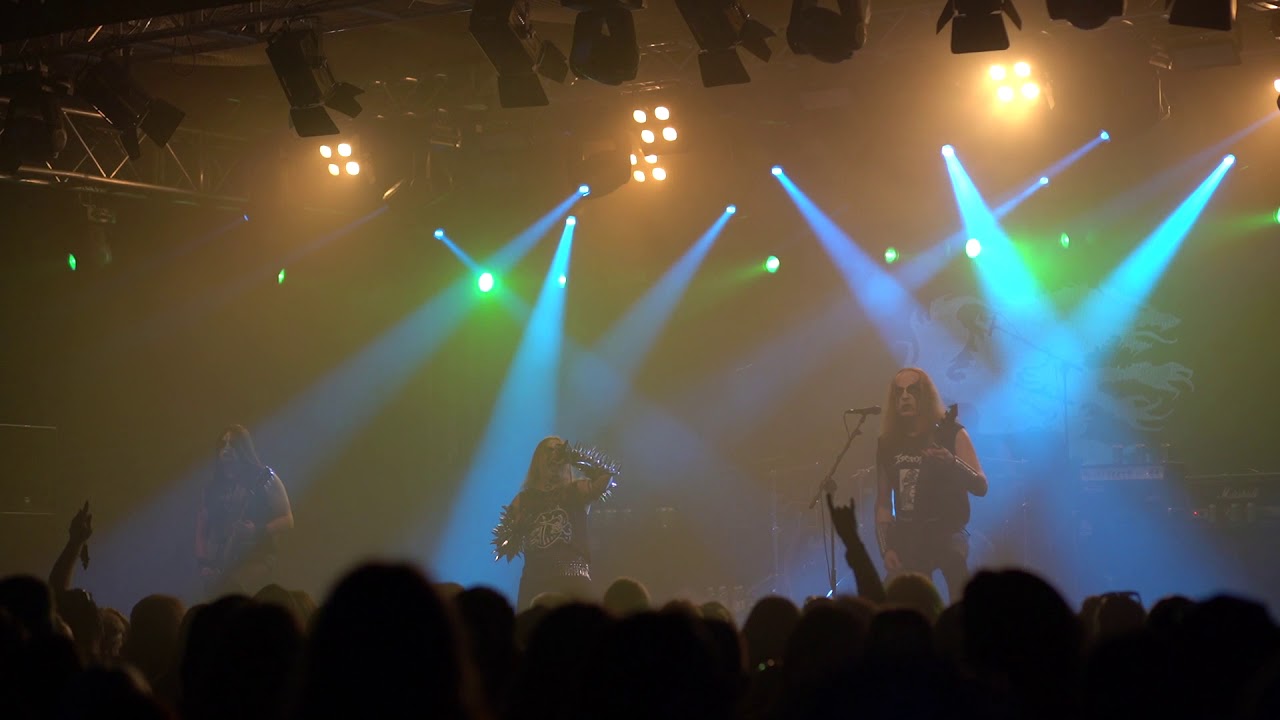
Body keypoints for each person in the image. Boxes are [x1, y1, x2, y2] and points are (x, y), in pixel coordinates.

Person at [874, 368, 987, 603]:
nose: (904, 397)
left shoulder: (952, 433)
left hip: (948, 531)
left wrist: (952, 462)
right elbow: (883, 503)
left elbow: (980, 486)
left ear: (925, 395)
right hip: (909, 535)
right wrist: (886, 548)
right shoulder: (887, 444)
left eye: (912, 390)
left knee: (961, 596)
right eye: (899, 392)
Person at [493, 436, 618, 611]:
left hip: (572, 578)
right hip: (535, 581)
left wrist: (573, 456)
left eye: (559, 449)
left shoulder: (576, 490)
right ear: (538, 460)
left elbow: (606, 477)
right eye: (548, 450)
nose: (554, 454)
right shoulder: (524, 499)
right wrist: (516, 529)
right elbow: (502, 546)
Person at [196, 425, 293, 597]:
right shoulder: (212, 487)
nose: (226, 449)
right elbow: (202, 529)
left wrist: (257, 530)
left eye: (232, 444)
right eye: (223, 444)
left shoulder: (264, 478)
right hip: (220, 561)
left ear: (243, 448)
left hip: (256, 556)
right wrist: (204, 564)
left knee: (234, 590)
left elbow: (287, 519)